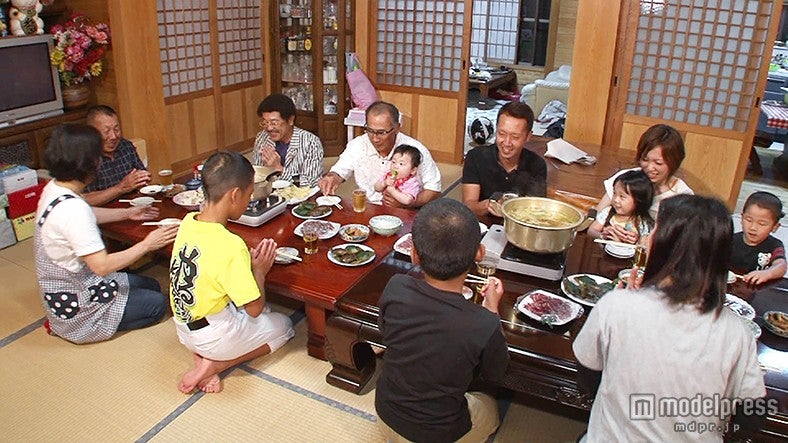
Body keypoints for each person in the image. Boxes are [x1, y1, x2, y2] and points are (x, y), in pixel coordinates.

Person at [573, 195, 767, 442]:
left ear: (663, 243)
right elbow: (752, 416)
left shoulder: (616, 306)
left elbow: (588, 378)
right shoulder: (737, 332)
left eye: (655, 229)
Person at [375, 199, 509, 443]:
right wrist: (491, 309)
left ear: (414, 254)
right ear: (480, 253)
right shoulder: (483, 322)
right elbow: (495, 372)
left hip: (385, 415)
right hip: (439, 435)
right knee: (490, 405)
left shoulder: (396, 286)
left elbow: (385, 333)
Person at [35, 124, 178, 344]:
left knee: (152, 285)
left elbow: (89, 213)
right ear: (87, 163)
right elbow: (102, 266)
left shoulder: (56, 188)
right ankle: (81, 329)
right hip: (79, 304)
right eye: (96, 156)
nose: (99, 161)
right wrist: (147, 244)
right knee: (158, 304)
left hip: (73, 285)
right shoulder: (73, 211)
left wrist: (128, 213)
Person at [169, 151, 295, 394]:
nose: (249, 201)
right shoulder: (231, 245)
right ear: (235, 195)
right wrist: (259, 271)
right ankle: (218, 364)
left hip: (183, 329)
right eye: (249, 195)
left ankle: (204, 356)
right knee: (284, 325)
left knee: (259, 312)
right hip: (214, 337)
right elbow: (254, 309)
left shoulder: (188, 221)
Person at [318, 101, 442, 208]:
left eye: (382, 132)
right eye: (370, 130)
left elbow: (434, 190)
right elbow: (339, 171)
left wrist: (407, 203)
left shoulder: (415, 150)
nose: (375, 138)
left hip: (407, 211)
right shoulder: (358, 145)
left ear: (397, 128)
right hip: (369, 208)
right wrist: (332, 177)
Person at [596, 124, 693, 233]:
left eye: (658, 163)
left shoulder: (682, 196)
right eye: (645, 159)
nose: (649, 168)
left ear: (674, 162)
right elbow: (598, 214)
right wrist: (606, 231)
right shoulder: (625, 179)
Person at [462, 101, 547, 218]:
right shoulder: (476, 157)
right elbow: (469, 205)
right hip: (483, 224)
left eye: (515, 137)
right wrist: (489, 205)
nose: (507, 143)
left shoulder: (537, 165)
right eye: (502, 134)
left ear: (528, 136)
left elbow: (535, 210)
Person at [82, 105, 152, 206]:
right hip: (104, 212)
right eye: (106, 131)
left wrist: (142, 179)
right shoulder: (84, 157)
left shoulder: (125, 146)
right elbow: (84, 200)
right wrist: (120, 188)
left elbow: (142, 176)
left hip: (134, 206)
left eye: (116, 129)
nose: (113, 136)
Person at [251, 93, 324, 187]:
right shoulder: (262, 138)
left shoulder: (310, 142)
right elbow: (256, 174)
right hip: (269, 192)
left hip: (299, 194)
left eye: (274, 123)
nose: (269, 128)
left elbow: (312, 181)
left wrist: (279, 169)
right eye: (265, 123)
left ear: (290, 120)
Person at [730, 191, 786, 285]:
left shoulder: (774, 245)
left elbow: (781, 265)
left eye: (762, 224)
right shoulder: (731, 240)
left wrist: (767, 273)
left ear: (775, 227)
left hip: (757, 289)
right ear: (742, 218)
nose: (753, 227)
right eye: (748, 220)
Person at [588, 169, 654, 244]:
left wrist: (635, 242)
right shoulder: (607, 212)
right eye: (614, 193)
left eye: (622, 197)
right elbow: (591, 231)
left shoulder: (642, 223)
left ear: (638, 200)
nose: (616, 200)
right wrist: (602, 236)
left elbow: (644, 245)